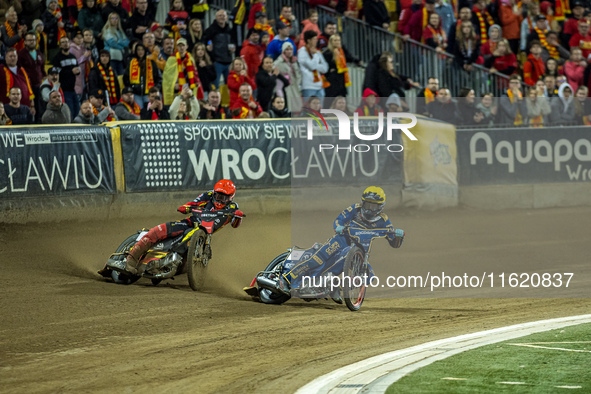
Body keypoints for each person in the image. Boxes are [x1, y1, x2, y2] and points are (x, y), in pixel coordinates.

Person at [277, 186, 405, 301]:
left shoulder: (384, 220)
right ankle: (286, 278)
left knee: (369, 275)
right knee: (316, 260)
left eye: (374, 206)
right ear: (362, 202)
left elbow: (394, 242)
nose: (369, 209)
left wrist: (398, 236)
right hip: (341, 240)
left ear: (380, 207)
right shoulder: (355, 209)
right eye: (367, 204)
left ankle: (335, 287)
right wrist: (338, 227)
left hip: (358, 249)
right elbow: (339, 220)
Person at [108, 179, 244, 275]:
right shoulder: (208, 195)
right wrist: (186, 207)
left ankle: (161, 266)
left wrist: (237, 217)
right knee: (158, 231)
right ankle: (130, 260)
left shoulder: (233, 207)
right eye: (218, 196)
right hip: (190, 223)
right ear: (214, 193)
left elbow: (234, 225)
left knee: (186, 263)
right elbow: (194, 202)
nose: (219, 200)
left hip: (203, 234)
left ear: (231, 197)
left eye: (224, 198)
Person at [163, 37, 202, 106]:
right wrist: (173, 85)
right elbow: (167, 77)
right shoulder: (171, 59)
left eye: (183, 45)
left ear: (186, 46)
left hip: (189, 90)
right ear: (177, 47)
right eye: (179, 46)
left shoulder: (190, 59)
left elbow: (194, 74)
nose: (181, 48)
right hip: (177, 91)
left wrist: (195, 83)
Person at [203, 9, 234, 89]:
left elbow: (233, 42)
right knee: (215, 86)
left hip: (228, 61)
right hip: (216, 62)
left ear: (226, 17)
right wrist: (208, 45)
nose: (222, 17)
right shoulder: (210, 29)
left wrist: (233, 48)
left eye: (224, 15)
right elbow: (206, 40)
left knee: (230, 86)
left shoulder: (229, 30)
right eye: (220, 15)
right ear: (216, 17)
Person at [125, 43, 161, 108]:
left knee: (150, 112)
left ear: (145, 51)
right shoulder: (131, 63)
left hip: (149, 94)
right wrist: (132, 88)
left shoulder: (151, 63)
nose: (140, 52)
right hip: (136, 94)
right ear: (136, 51)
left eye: (142, 50)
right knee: (139, 112)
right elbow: (126, 78)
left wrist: (155, 89)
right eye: (138, 50)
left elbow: (158, 78)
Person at [0, 48, 35, 112]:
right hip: (7, 109)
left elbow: (29, 88)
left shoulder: (23, 71)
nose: (13, 58)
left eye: (14, 56)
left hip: (25, 108)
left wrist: (32, 105)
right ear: (5, 58)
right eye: (10, 56)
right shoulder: (1, 70)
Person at [298, 30, 328, 100]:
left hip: (319, 85)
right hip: (308, 86)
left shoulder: (317, 52)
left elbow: (325, 68)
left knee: (320, 109)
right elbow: (312, 66)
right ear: (309, 40)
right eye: (314, 39)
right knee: (309, 109)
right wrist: (315, 56)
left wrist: (315, 64)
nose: (316, 41)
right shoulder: (302, 52)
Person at [274, 41, 302, 113]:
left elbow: (298, 73)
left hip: (295, 86)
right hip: (285, 87)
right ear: (283, 51)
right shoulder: (279, 61)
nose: (289, 51)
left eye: (291, 49)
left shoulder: (294, 61)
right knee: (288, 106)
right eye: (287, 49)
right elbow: (273, 68)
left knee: (297, 107)